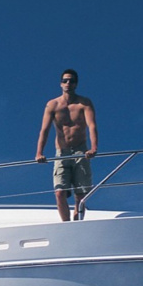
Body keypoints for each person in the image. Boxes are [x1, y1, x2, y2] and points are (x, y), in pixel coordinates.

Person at [36, 68, 98, 222]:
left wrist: (93, 147)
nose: (68, 83)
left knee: (80, 194)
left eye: (71, 80)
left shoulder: (84, 103)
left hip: (80, 150)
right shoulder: (52, 105)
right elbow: (44, 130)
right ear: (60, 84)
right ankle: (66, 225)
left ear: (76, 84)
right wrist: (39, 152)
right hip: (62, 152)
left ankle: (77, 223)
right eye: (65, 80)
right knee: (59, 192)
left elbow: (92, 126)